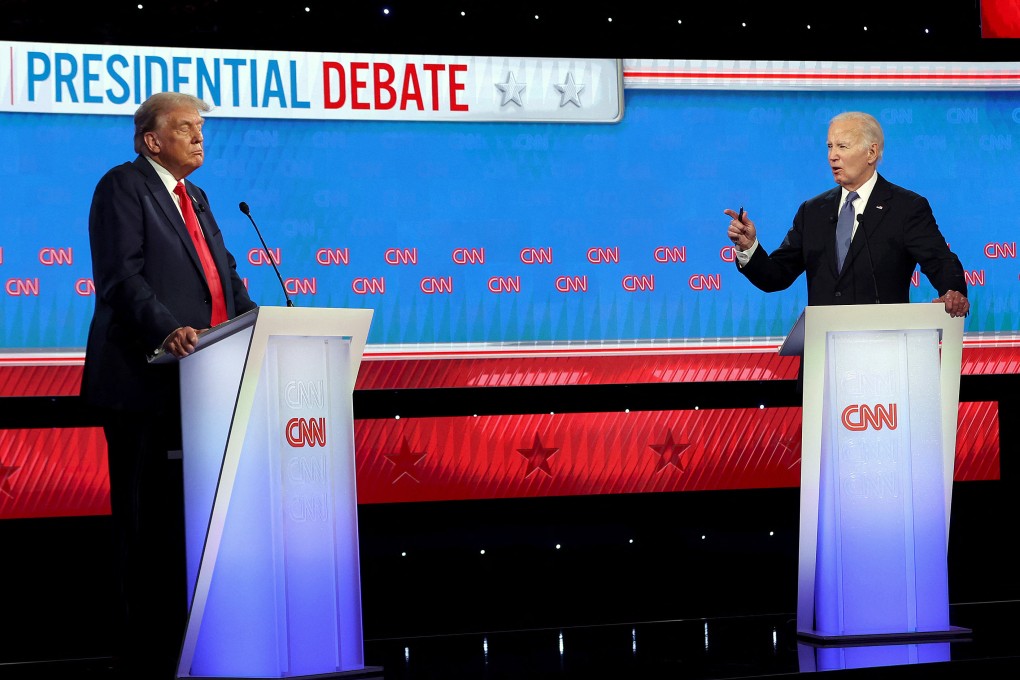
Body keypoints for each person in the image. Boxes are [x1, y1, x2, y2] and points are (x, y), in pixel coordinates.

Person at [81, 91, 257, 676]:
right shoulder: (123, 186)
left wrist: (259, 325)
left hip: (202, 385)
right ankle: (140, 652)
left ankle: (191, 639)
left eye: (200, 128)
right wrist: (170, 330)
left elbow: (223, 277)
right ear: (152, 140)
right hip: (144, 381)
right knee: (143, 520)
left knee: (187, 523)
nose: (198, 137)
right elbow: (119, 278)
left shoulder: (197, 197)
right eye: (185, 128)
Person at [724, 111, 969, 318]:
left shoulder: (905, 207)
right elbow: (775, 277)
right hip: (823, 356)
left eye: (842, 146)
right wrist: (748, 246)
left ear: (871, 153)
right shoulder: (812, 211)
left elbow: (940, 261)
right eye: (830, 146)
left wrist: (952, 291)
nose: (832, 155)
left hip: (883, 350)